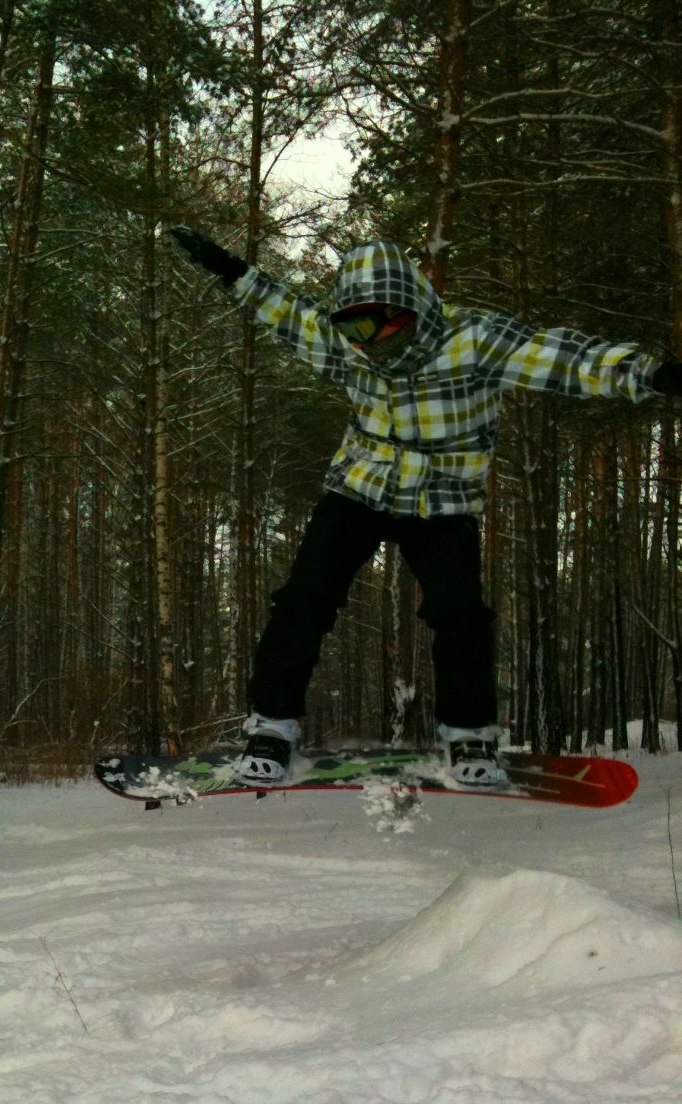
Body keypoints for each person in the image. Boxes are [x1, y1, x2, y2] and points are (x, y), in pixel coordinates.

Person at [171, 226, 681, 786]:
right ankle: (271, 726)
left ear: (410, 307)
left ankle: (468, 737)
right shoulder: (348, 343)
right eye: (353, 325)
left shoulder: (474, 342)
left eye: (378, 323)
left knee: (460, 615)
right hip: (359, 489)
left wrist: (649, 375)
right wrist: (232, 271)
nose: (366, 340)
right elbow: (289, 314)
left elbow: (564, 358)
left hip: (443, 500)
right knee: (303, 602)